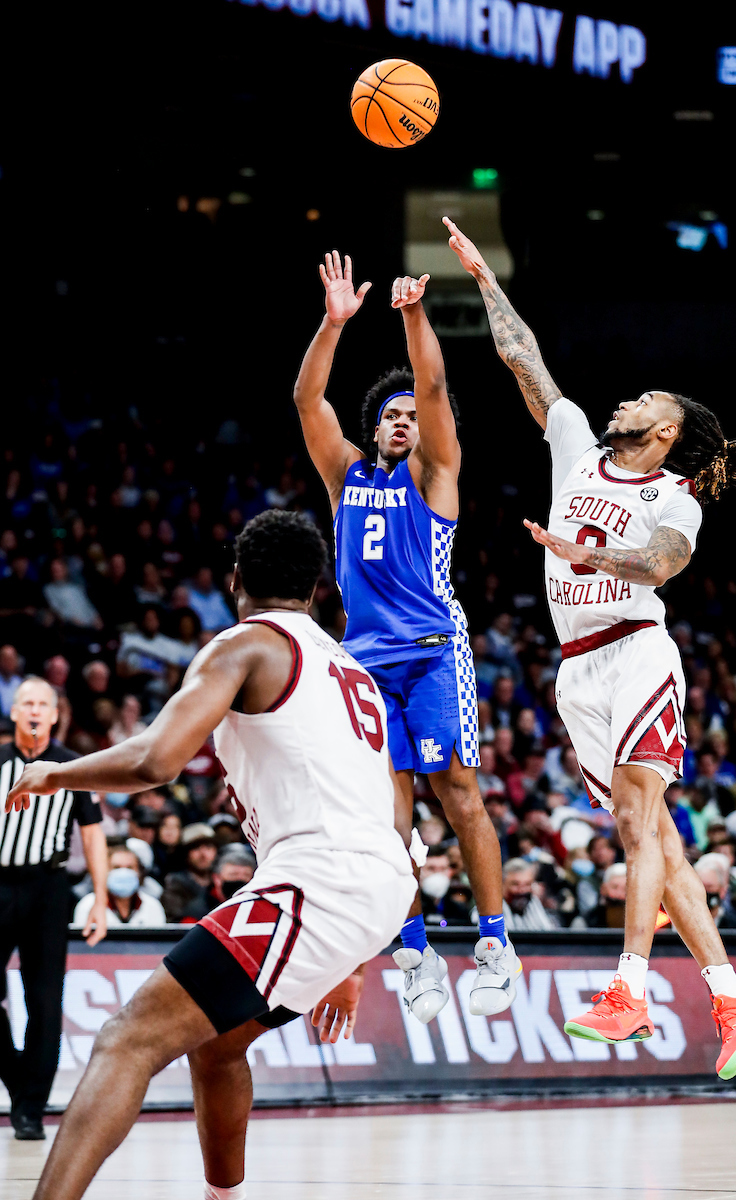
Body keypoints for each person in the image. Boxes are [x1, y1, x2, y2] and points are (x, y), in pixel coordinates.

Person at [444, 214, 736, 1080]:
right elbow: (524, 360)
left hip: (635, 652)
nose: (629, 401)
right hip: (576, 671)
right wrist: (484, 278)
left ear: (667, 433)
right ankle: (734, 996)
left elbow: (660, 565)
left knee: (636, 822)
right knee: (655, 834)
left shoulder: (675, 498)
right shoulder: (575, 447)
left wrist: (585, 553)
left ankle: (629, 989)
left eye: (648, 402)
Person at [5, 509, 415, 1200]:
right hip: (378, 887)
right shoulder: (353, 672)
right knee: (219, 1042)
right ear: (315, 589)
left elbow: (156, 760)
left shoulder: (246, 645)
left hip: (320, 883)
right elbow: (396, 818)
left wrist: (54, 773)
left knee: (126, 1039)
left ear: (235, 581)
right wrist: (352, 957)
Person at [292, 249, 516, 1024]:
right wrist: (333, 325)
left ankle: (495, 941)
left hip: (432, 653)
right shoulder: (346, 477)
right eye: (391, 414)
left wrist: (414, 314)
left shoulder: (436, 477)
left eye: (411, 417)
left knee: (457, 794)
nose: (403, 420)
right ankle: (416, 953)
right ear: (375, 427)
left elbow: (435, 387)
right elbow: (306, 398)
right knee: (391, 820)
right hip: (365, 664)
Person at [0, 677, 108, 1140]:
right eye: (27, 703)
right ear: (13, 712)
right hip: (0, 883)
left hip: (48, 887)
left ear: (55, 715)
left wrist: (100, 899)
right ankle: (18, 1080)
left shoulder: (72, 766)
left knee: (44, 1000)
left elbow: (93, 833)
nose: (34, 710)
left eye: (42, 704)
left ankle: (30, 1110)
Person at [73, 845, 166, 928]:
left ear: (139, 873)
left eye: (129, 868)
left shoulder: (153, 906)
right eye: (116, 867)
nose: (123, 872)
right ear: (105, 871)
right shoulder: (88, 905)